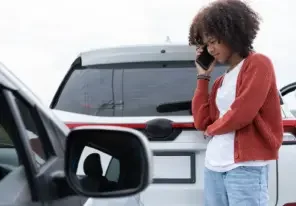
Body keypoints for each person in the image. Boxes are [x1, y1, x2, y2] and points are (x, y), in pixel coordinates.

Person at [188, 0, 283, 205]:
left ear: (231, 33)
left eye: (213, 41)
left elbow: (243, 112)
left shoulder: (258, 63)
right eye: (206, 44)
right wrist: (203, 77)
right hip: (214, 165)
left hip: (245, 166)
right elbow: (201, 121)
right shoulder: (221, 81)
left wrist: (212, 130)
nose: (210, 49)